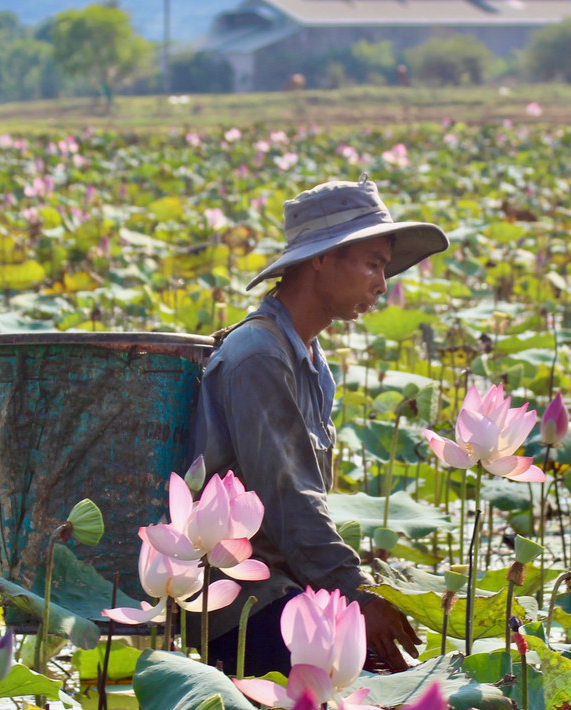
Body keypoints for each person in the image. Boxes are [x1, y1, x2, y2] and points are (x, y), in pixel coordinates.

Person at [190, 176, 448, 675]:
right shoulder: (259, 356)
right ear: (321, 258)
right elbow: (289, 499)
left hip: (291, 586)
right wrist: (355, 594)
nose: (382, 283)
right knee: (382, 695)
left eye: (385, 268)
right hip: (242, 600)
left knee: (404, 684)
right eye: (373, 264)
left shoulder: (310, 357)